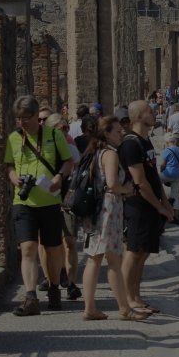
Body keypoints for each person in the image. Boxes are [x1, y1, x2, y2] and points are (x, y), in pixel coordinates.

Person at [4, 95, 74, 315]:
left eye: (26, 117)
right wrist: (14, 178)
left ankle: (54, 288)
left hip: (50, 201)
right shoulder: (14, 138)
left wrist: (59, 178)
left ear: (36, 116)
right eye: (19, 118)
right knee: (28, 248)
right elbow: (9, 165)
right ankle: (30, 297)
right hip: (23, 201)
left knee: (53, 249)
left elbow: (68, 161)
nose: (22, 122)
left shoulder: (54, 135)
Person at [76, 116, 149, 322]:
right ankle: (124, 309)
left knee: (94, 258)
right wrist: (126, 190)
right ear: (106, 133)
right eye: (117, 131)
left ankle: (90, 307)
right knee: (113, 260)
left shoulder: (95, 151)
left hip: (96, 210)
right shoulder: (110, 154)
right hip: (108, 208)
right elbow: (111, 183)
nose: (121, 133)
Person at [120, 99, 175, 315]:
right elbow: (140, 182)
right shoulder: (130, 144)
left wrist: (164, 203)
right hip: (137, 206)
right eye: (149, 111)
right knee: (133, 252)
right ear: (139, 116)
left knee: (143, 253)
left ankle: (136, 296)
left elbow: (153, 177)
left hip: (151, 206)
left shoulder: (146, 142)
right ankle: (127, 300)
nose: (153, 113)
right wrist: (159, 207)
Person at [36, 113, 82, 301]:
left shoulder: (71, 148)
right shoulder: (42, 149)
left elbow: (78, 172)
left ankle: (71, 283)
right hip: (46, 197)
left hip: (67, 199)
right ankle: (50, 279)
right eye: (60, 128)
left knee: (70, 241)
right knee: (46, 242)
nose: (64, 131)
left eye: (66, 128)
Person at [158, 134, 179, 203]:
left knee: (156, 181)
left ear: (167, 142)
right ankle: (175, 213)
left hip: (168, 173)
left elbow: (163, 165)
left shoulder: (166, 150)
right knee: (176, 196)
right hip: (178, 175)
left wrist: (161, 172)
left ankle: (160, 199)